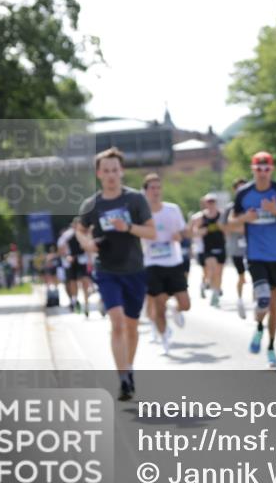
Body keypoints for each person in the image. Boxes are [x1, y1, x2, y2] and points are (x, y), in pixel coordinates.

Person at [76, 147, 156, 401]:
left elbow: (151, 233)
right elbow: (79, 229)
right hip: (107, 270)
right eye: (106, 170)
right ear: (99, 173)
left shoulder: (135, 200)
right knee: (118, 322)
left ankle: (128, 369)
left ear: (121, 171)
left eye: (115, 170)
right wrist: (86, 243)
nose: (111, 175)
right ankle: (122, 378)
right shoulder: (93, 204)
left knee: (132, 327)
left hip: (134, 269)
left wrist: (128, 227)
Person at [229, 152, 276, 368]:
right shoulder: (244, 193)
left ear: (272, 169)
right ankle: (259, 325)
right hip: (256, 255)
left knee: (273, 305)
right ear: (252, 169)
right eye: (258, 168)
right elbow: (231, 222)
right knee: (263, 300)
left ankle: (270, 346)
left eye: (266, 168)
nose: (262, 172)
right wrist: (244, 218)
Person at [141, 173, 191, 354]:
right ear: (145, 191)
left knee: (185, 304)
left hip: (174, 262)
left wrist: (181, 235)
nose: (156, 191)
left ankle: (177, 311)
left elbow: (184, 231)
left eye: (158, 187)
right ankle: (164, 339)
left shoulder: (172, 209)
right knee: (159, 304)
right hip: (152, 264)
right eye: (152, 188)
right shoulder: (141, 213)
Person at [192, 193, 226, 308]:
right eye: (209, 202)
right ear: (205, 203)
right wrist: (200, 231)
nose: (211, 204)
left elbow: (228, 229)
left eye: (213, 202)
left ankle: (215, 295)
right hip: (208, 248)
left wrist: (223, 228)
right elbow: (194, 231)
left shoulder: (221, 215)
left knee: (219, 273)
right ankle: (206, 284)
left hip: (220, 247)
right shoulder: (201, 217)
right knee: (210, 270)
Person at [224, 178, 250, 318]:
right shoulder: (231, 207)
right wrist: (240, 226)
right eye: (239, 188)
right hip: (236, 247)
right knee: (241, 277)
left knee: (255, 274)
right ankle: (240, 300)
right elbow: (225, 226)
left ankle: (258, 302)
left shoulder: (252, 204)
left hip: (253, 246)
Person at [57, 218, 92, 315]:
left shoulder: (85, 234)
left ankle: (86, 304)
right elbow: (61, 248)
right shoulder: (67, 235)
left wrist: (90, 260)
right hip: (71, 261)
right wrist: (67, 256)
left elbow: (89, 247)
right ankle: (74, 300)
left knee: (85, 282)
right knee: (72, 282)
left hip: (82, 260)